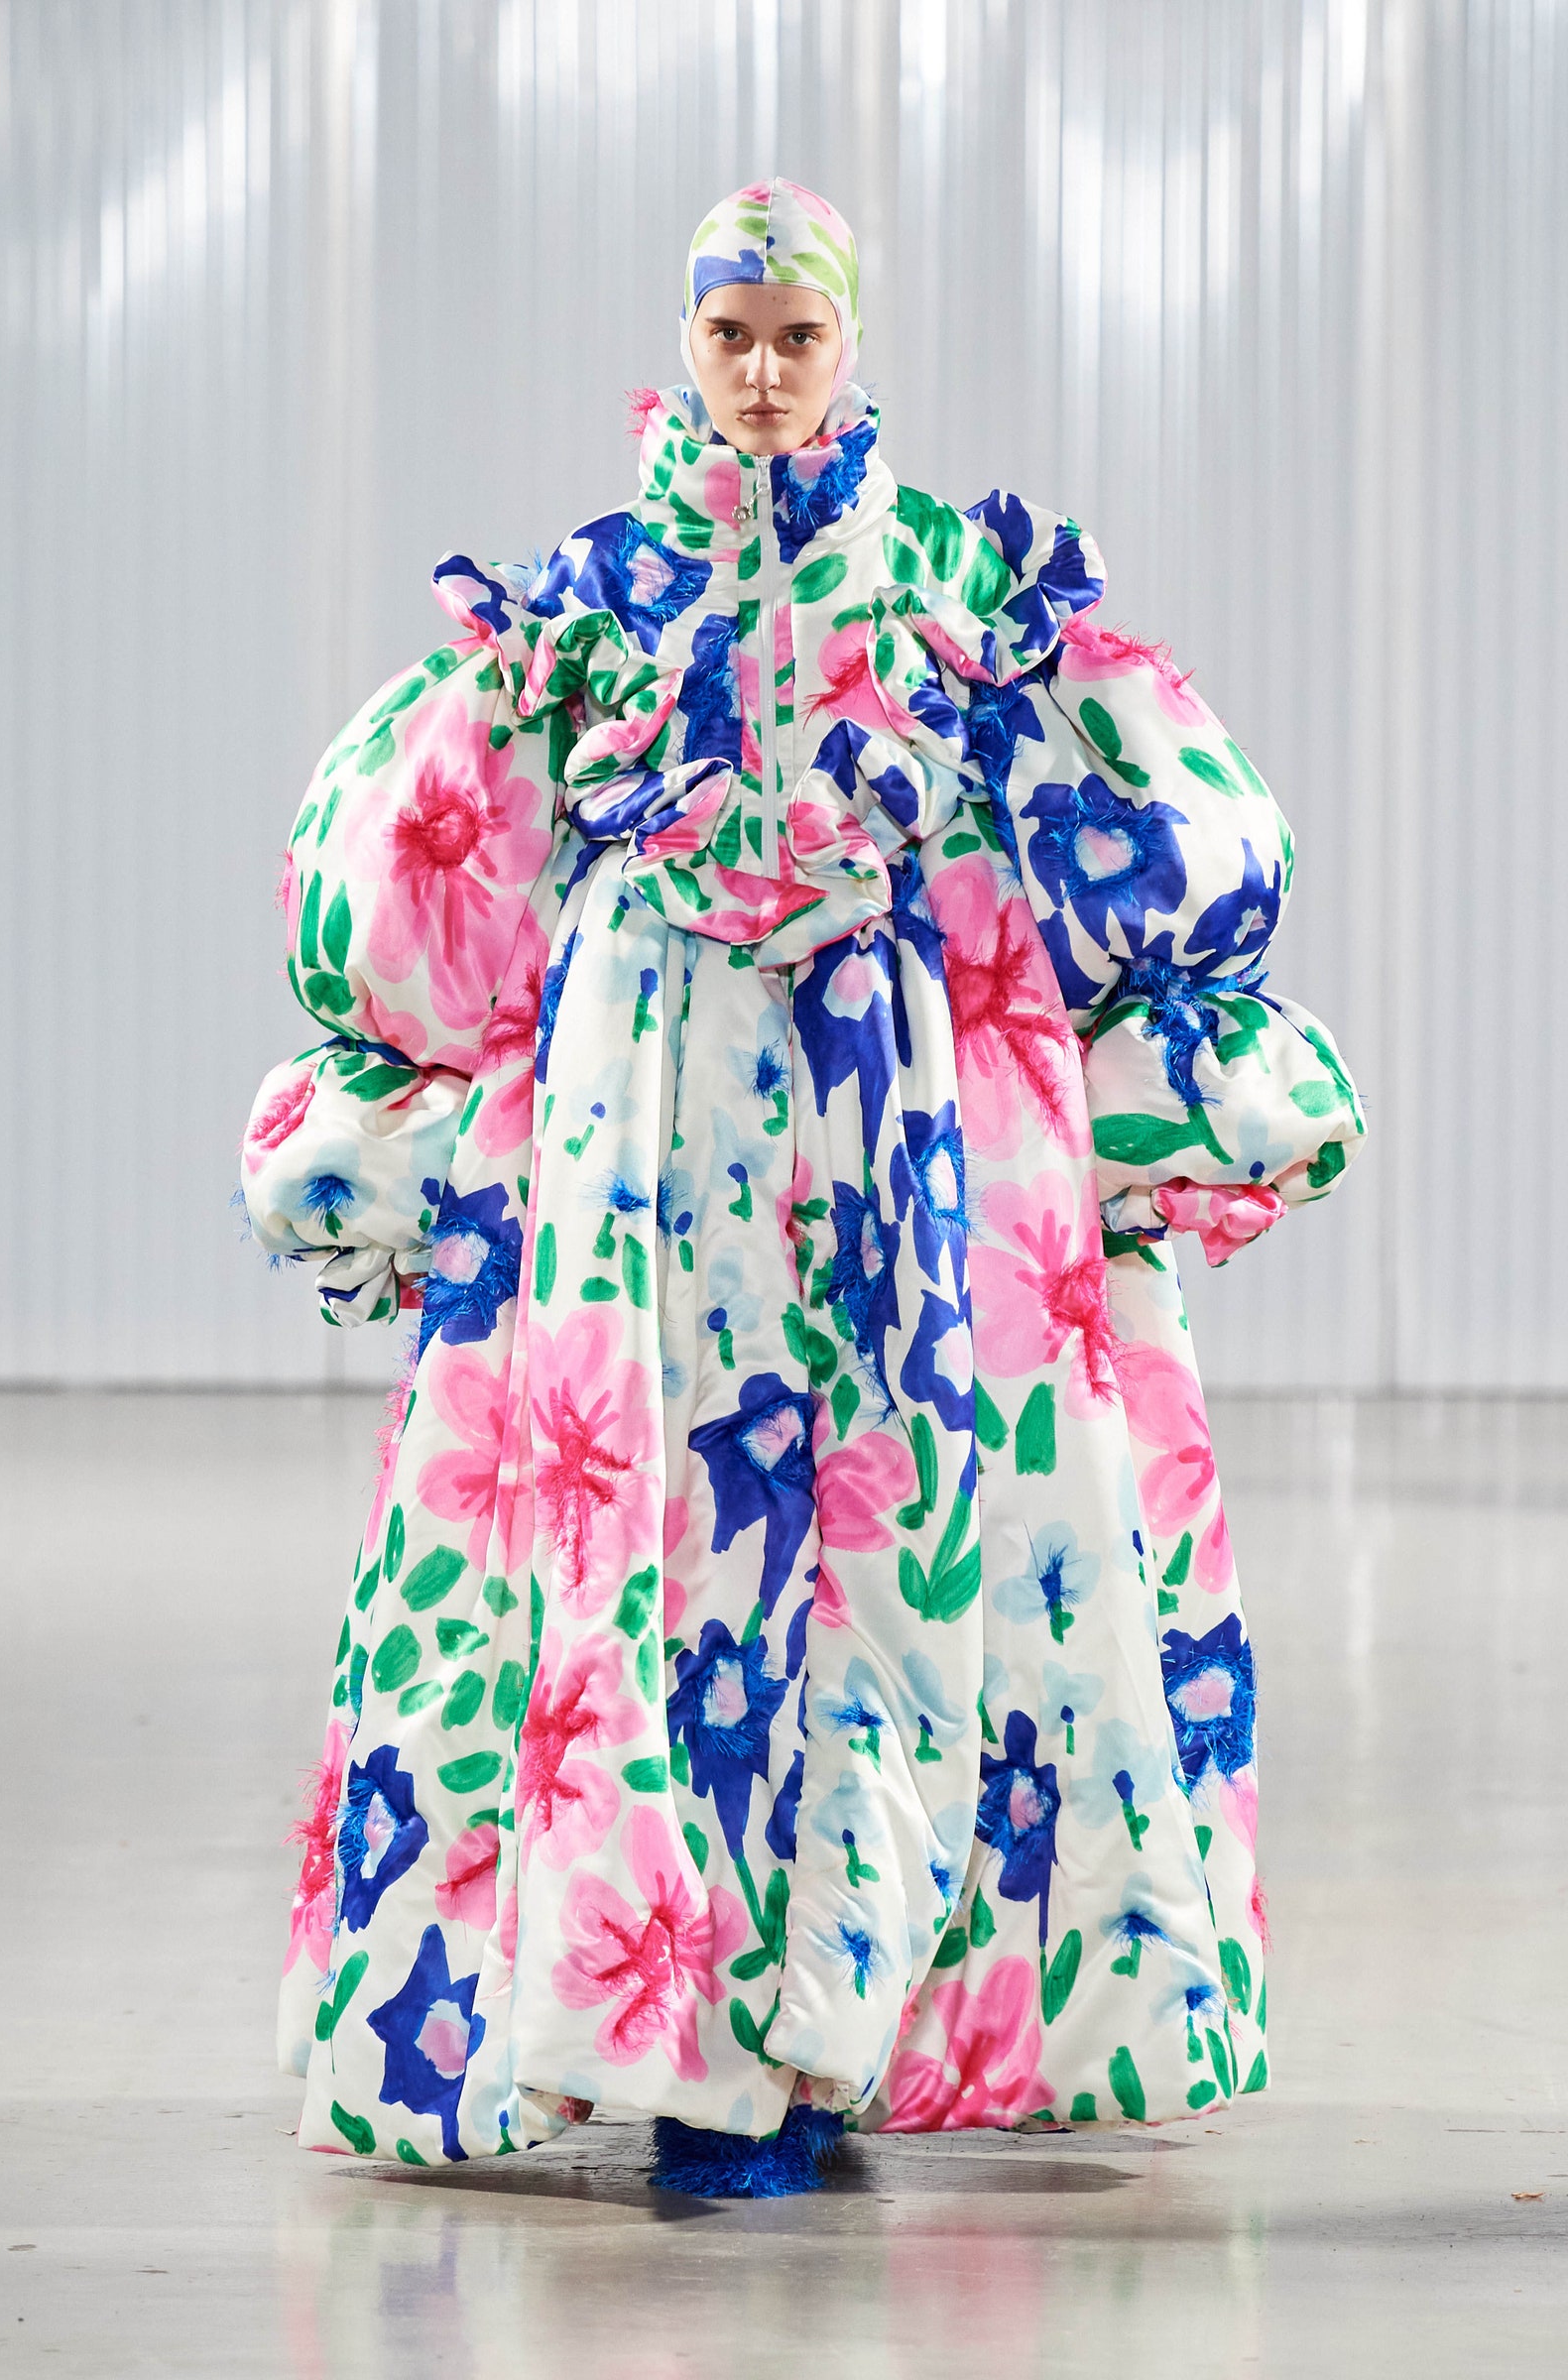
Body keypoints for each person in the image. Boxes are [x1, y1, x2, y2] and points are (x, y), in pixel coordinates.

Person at [241, 178, 1363, 2195]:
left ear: (851, 345)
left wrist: (1136, 1022)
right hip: (637, 1117)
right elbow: (430, 845)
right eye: (730, 333)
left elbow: (1123, 799)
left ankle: (823, 2026)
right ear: (685, 344)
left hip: (879, 1114)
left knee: (882, 1524)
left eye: (796, 335)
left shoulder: (943, 575)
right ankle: (666, 2033)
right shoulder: (591, 591)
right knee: (650, 1521)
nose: (761, 372)